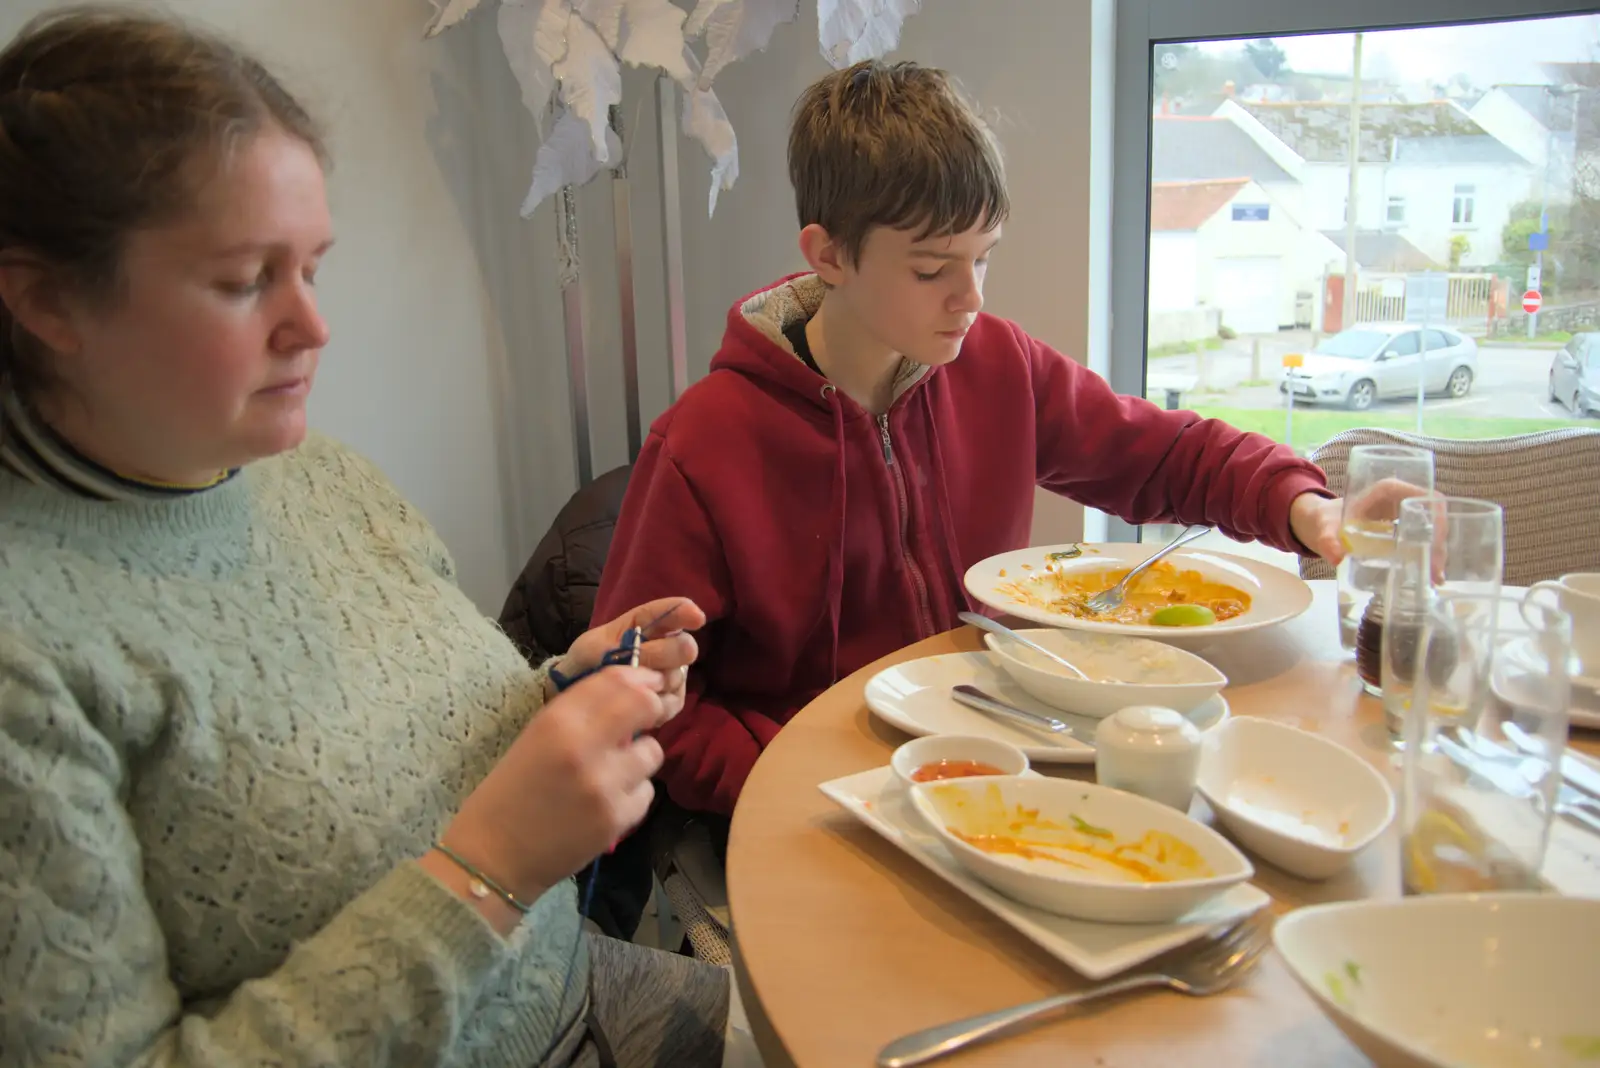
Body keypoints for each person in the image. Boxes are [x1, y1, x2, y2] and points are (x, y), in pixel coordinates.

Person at [0, 8, 734, 1066]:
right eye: (246, 280)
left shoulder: (318, 473)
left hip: (579, 989)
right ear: (47, 301)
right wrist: (486, 872)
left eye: (313, 267)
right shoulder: (32, 654)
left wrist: (565, 689)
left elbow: (385, 750)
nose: (313, 326)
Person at [592, 60, 1355, 849]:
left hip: (1001, 761)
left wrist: (1301, 502)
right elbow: (643, 708)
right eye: (932, 269)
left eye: (983, 256)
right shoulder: (705, 442)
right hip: (814, 811)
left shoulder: (997, 364)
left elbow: (1160, 458)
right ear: (829, 256)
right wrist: (795, 779)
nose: (973, 296)